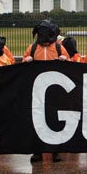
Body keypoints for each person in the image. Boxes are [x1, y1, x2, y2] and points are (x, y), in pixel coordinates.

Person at [23, 19, 67, 163]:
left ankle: (55, 151)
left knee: (55, 120)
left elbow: (72, 66)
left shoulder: (60, 48)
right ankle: (37, 152)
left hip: (55, 91)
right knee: (37, 120)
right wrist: (26, 60)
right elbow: (21, 66)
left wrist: (65, 59)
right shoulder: (33, 48)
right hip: (37, 92)